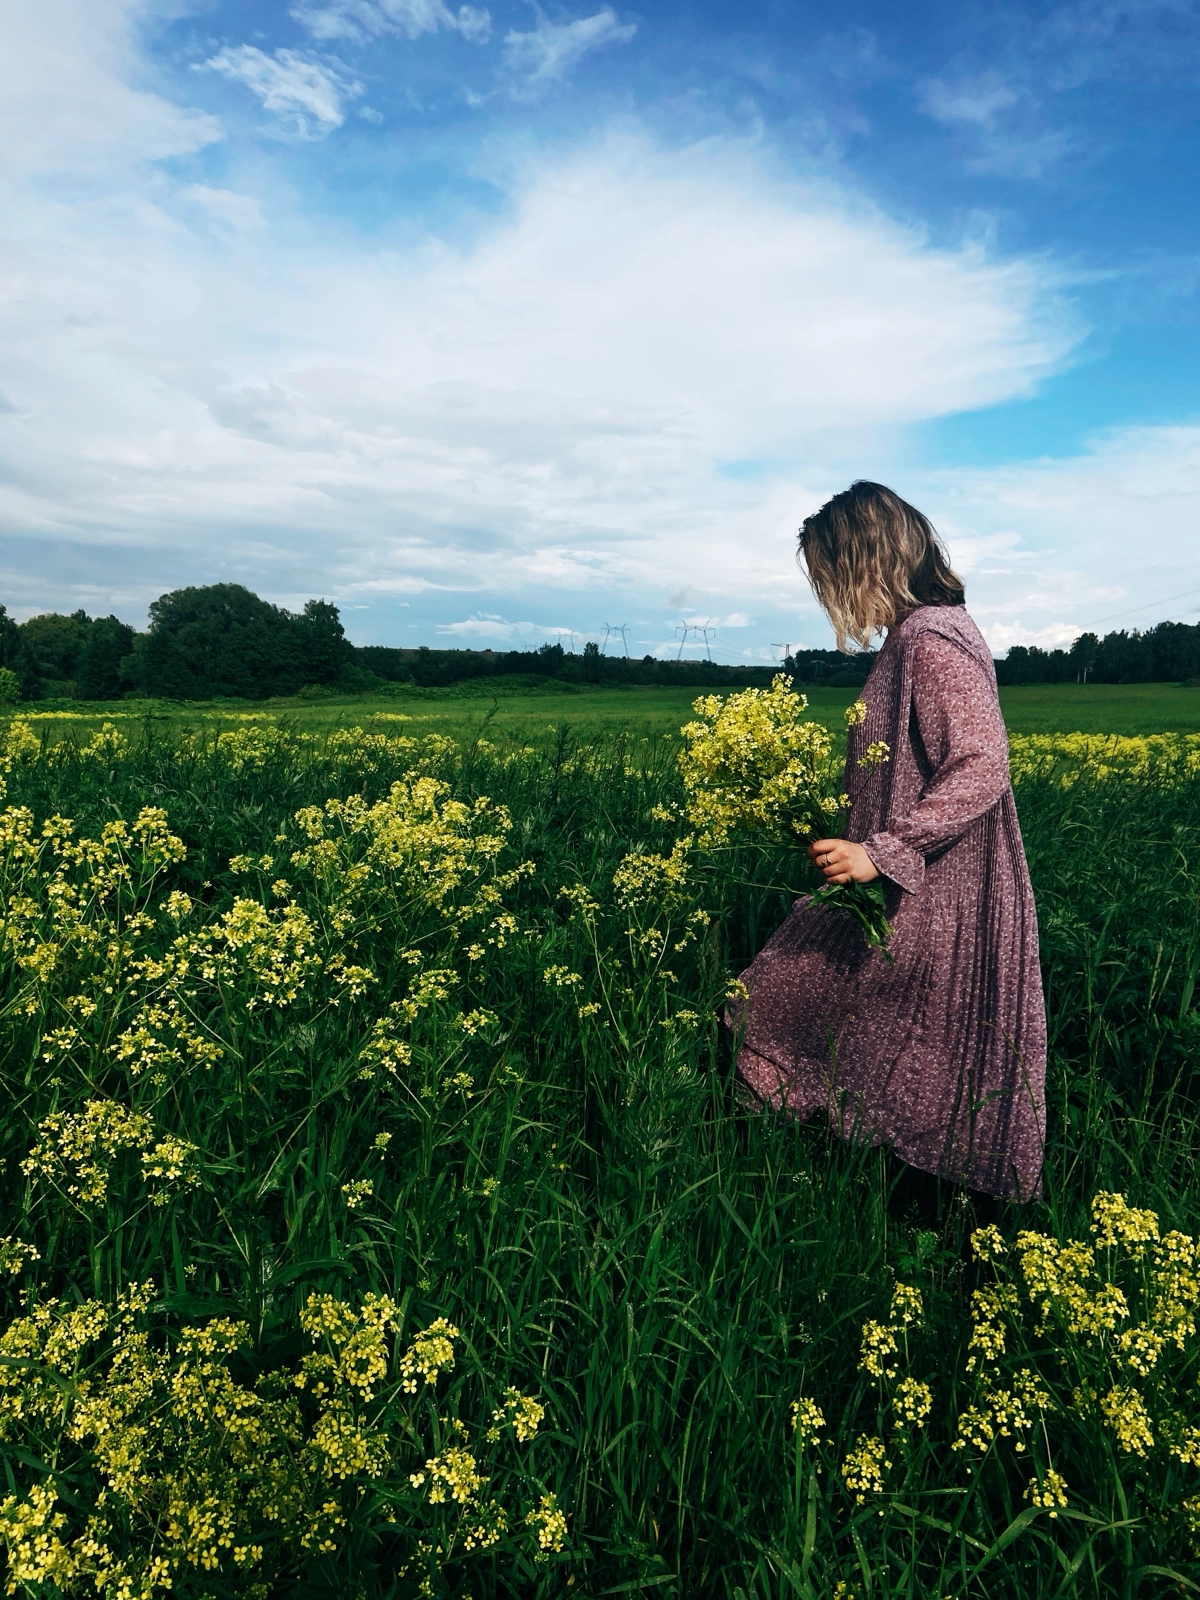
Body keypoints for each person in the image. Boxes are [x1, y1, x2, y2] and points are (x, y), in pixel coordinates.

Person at [731, 481, 1046, 1202]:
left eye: (830, 579)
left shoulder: (928, 640)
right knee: (902, 1035)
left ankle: (804, 1184)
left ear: (869, 562)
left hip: (931, 886)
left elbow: (983, 762)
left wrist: (883, 850)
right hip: (919, 879)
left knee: (770, 1001)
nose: (830, 600)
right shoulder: (932, 632)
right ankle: (888, 1184)